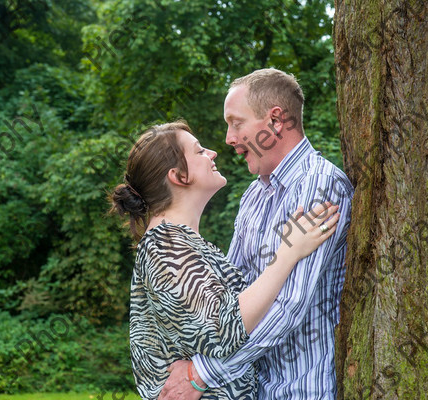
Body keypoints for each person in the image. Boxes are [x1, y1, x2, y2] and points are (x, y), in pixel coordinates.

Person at [109, 120, 341, 399]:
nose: (212, 153)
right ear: (178, 176)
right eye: (198, 151)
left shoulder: (181, 243)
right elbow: (225, 331)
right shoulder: (166, 246)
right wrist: (288, 252)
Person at [160, 69, 354, 399]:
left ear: (275, 121)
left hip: (300, 390)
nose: (228, 139)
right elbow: (233, 294)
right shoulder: (254, 195)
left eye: (236, 123)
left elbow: (289, 305)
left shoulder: (318, 186)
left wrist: (202, 373)